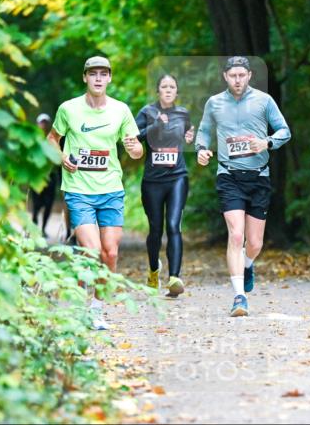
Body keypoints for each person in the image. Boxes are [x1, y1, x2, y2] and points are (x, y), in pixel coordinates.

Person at [46, 56, 142, 330]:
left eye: (103, 73)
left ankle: (97, 308)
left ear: (110, 78)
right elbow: (52, 139)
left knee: (110, 254)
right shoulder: (68, 109)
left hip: (111, 189)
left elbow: (136, 149)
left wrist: (135, 149)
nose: (98, 78)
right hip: (79, 190)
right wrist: (63, 157)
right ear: (85, 78)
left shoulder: (121, 110)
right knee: (91, 251)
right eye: (93, 73)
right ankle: (83, 305)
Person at [194, 56, 291, 317]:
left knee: (255, 242)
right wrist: (202, 150)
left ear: (249, 75)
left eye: (241, 75)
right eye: (232, 75)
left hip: (259, 176)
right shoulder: (214, 103)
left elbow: (284, 131)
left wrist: (267, 143)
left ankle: (248, 264)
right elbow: (203, 131)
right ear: (225, 76)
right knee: (236, 235)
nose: (237, 80)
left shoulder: (264, 101)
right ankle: (239, 297)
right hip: (229, 175)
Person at [135, 74, 194, 298]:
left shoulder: (183, 113)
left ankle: (174, 278)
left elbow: (188, 134)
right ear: (158, 91)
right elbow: (134, 137)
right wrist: (156, 126)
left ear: (176, 92)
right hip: (152, 180)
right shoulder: (147, 112)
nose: (168, 90)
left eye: (172, 87)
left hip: (177, 176)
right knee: (156, 230)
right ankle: (153, 271)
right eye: (164, 86)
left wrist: (190, 137)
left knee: (173, 225)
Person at [30, 113, 62, 237]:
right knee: (37, 203)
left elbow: (58, 158)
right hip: (36, 177)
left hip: (51, 177)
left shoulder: (53, 140)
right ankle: (34, 222)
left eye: (45, 122)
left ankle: (43, 229)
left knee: (48, 204)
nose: (43, 125)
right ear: (38, 124)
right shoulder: (33, 140)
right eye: (41, 122)